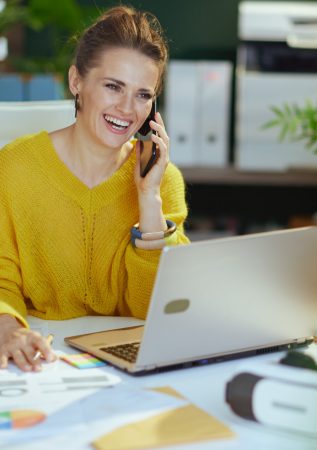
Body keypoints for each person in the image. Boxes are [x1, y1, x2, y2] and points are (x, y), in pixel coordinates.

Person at [0, 6, 189, 372]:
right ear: (76, 81)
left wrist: (149, 201)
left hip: (130, 368)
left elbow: (166, 308)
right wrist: (7, 328)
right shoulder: (14, 167)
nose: (127, 108)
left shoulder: (163, 179)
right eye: (113, 86)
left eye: (142, 95)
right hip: (36, 357)